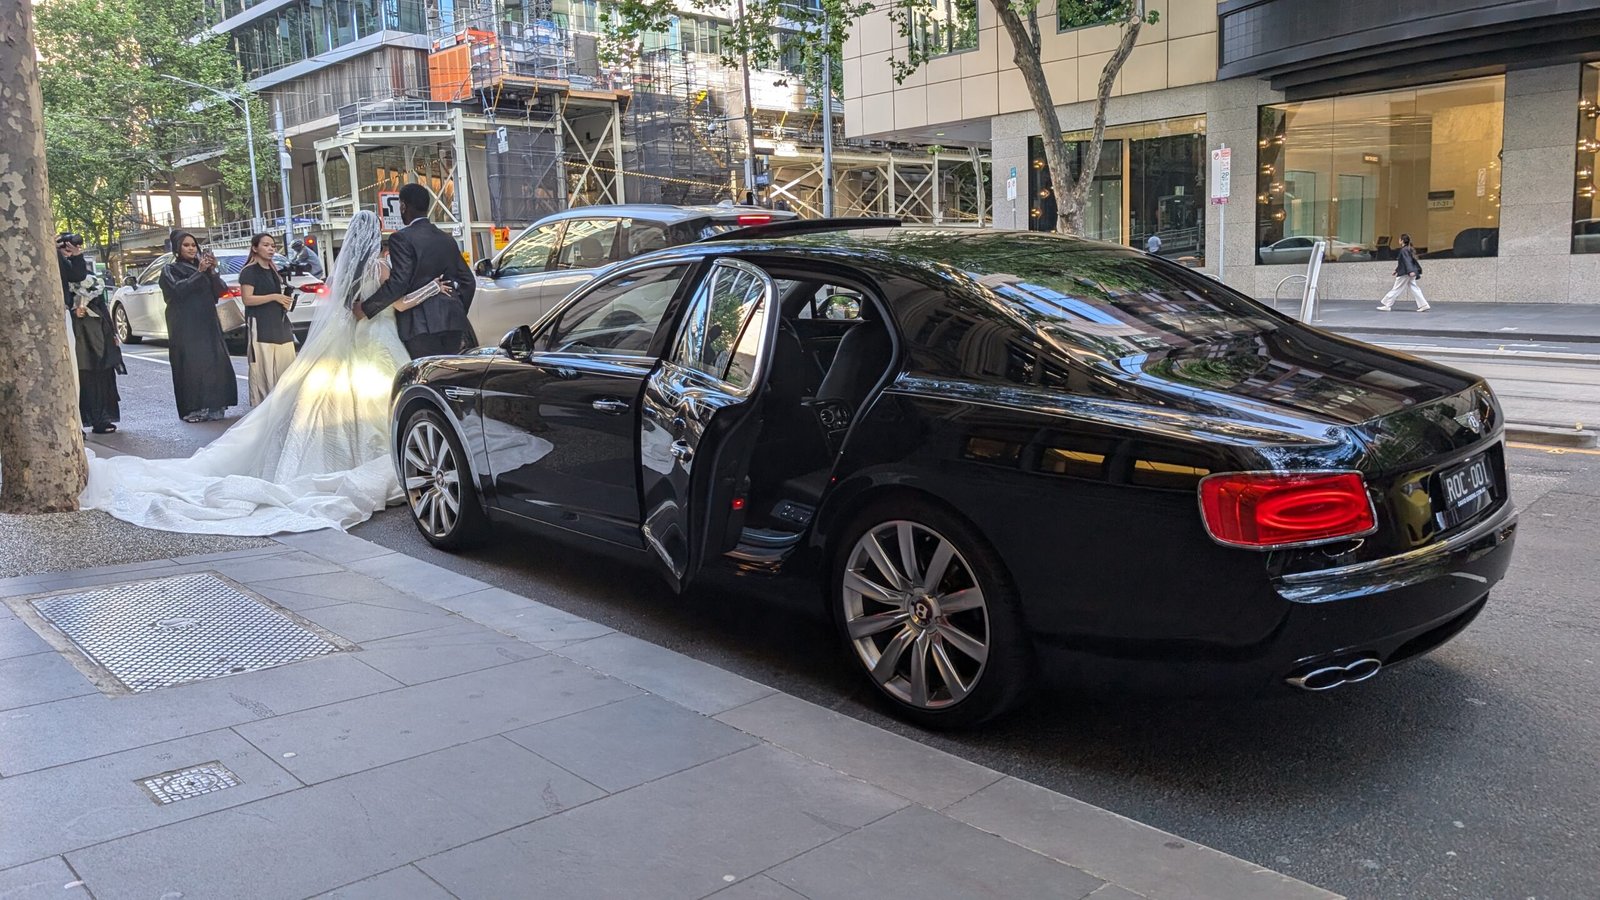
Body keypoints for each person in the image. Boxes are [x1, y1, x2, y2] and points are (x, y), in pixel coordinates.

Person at [81, 211, 449, 535]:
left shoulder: (349, 271)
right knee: (388, 398)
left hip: (357, 338)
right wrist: (433, 288)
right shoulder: (380, 268)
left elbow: (349, 307)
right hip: (380, 337)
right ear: (377, 237)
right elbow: (398, 302)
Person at [358, 183, 475, 358]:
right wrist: (455, 308)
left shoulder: (401, 238)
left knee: (426, 377)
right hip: (453, 322)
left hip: (419, 326)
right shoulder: (447, 239)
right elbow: (469, 281)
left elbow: (398, 283)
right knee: (448, 374)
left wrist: (367, 308)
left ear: (403, 206)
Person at [161, 232, 239, 422]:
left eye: (193, 245)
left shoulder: (201, 267)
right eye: (186, 245)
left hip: (208, 321)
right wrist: (200, 272)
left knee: (214, 362)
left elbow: (220, 290)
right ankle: (194, 408)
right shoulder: (170, 269)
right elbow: (178, 290)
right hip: (185, 324)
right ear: (177, 248)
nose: (191, 249)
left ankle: (216, 404)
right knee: (191, 365)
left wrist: (211, 271)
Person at [238, 232, 297, 405]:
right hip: (260, 325)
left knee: (285, 365)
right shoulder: (249, 271)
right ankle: (263, 405)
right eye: (265, 245)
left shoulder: (273, 270)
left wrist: (283, 301)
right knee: (264, 367)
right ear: (255, 248)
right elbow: (247, 299)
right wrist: (274, 297)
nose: (271, 248)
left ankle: (282, 403)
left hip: (280, 324)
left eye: (272, 245)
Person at [1377, 233, 1430, 312]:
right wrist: (1397, 270)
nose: (1399, 241)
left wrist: (1409, 271)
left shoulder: (1404, 250)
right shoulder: (1408, 249)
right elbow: (1406, 262)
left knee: (1396, 289)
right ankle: (1424, 305)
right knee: (1414, 288)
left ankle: (1387, 305)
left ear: (1402, 241)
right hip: (1408, 272)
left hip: (1405, 273)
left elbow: (1406, 261)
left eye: (1399, 239)